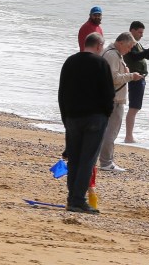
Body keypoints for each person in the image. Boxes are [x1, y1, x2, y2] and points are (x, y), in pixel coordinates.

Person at [57, 32, 113, 214]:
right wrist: (107, 114)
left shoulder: (70, 62)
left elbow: (62, 92)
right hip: (95, 117)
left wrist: (65, 117)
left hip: (72, 116)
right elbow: (108, 93)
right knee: (87, 160)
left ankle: (72, 197)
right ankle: (78, 200)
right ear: (98, 46)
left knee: (74, 158)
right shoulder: (101, 63)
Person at [99, 32, 142, 172]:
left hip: (111, 97)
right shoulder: (112, 54)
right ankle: (106, 162)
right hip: (114, 99)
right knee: (111, 132)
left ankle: (104, 160)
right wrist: (131, 76)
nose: (129, 50)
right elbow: (114, 78)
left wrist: (126, 72)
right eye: (129, 47)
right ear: (121, 42)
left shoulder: (112, 53)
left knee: (107, 131)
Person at [123, 21, 149, 143]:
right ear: (132, 31)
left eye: (142, 32)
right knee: (134, 107)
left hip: (139, 78)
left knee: (136, 107)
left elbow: (146, 56)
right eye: (140, 32)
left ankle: (129, 135)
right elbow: (136, 57)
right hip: (134, 77)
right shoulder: (129, 44)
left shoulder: (136, 44)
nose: (141, 35)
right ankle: (128, 136)